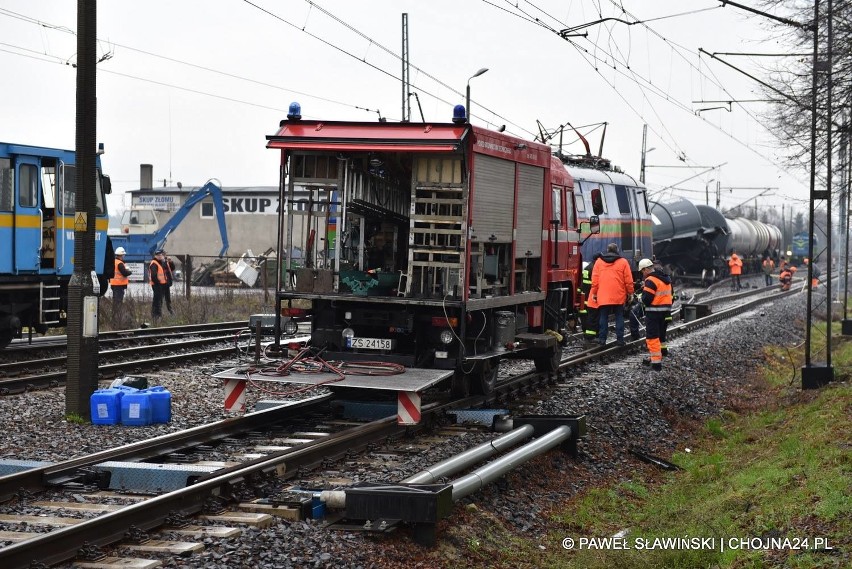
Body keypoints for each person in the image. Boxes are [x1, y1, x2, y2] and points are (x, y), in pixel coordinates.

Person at [590, 243, 634, 346]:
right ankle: (620, 339)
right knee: (619, 316)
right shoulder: (623, 262)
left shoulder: (599, 262)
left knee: (603, 317)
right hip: (619, 295)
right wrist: (630, 293)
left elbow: (595, 280)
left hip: (603, 295)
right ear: (617, 250)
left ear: (607, 250)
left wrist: (595, 293)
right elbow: (628, 280)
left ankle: (602, 340)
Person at [638, 258, 673, 372]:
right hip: (665, 311)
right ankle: (659, 358)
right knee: (660, 335)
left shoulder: (651, 280)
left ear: (646, 269)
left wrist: (640, 298)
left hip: (653, 312)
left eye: (642, 271)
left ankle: (656, 364)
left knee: (652, 337)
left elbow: (647, 299)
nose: (643, 274)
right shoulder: (665, 278)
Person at [109, 246, 133, 328]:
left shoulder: (113, 261)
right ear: (121, 255)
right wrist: (129, 272)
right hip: (119, 285)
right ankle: (116, 319)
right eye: (123, 255)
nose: (124, 256)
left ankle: (115, 319)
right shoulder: (120, 263)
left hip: (114, 284)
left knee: (116, 302)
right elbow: (124, 273)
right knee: (118, 303)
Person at [149, 249, 175, 321]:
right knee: (158, 300)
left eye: (162, 254)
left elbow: (172, 268)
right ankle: (156, 315)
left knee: (166, 299)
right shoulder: (156, 263)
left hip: (166, 284)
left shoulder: (165, 262)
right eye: (160, 255)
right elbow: (154, 276)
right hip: (159, 285)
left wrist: (170, 262)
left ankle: (168, 313)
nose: (162, 256)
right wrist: (159, 283)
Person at [579, 254, 601, 342]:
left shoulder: (588, 267)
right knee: (593, 315)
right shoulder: (594, 268)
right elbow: (594, 284)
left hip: (585, 295)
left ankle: (587, 333)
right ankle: (592, 335)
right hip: (591, 296)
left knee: (586, 315)